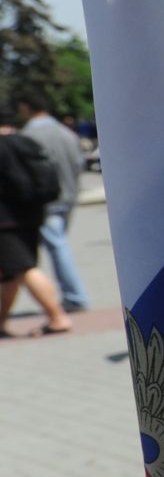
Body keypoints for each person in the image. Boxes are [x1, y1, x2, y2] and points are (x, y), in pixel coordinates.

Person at [17, 92, 89, 312]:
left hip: (47, 201)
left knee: (57, 246)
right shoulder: (66, 132)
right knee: (58, 244)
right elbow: (79, 164)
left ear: (27, 109)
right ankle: (72, 296)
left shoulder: (29, 135)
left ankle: (75, 296)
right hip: (68, 196)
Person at [0, 119, 72, 337]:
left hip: (4, 222)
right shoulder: (22, 141)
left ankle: (57, 317)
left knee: (24, 269)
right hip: (30, 215)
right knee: (9, 274)